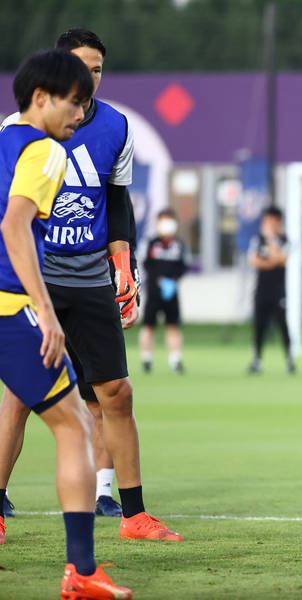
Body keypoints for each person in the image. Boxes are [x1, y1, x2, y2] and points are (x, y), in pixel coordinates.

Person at [0, 29, 183, 540]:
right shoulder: (21, 133)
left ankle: (133, 514)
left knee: (115, 393)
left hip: (88, 276)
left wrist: (124, 266)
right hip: (33, 277)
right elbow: (12, 219)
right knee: (24, 398)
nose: (90, 80)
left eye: (97, 70)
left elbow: (118, 202)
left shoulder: (117, 127)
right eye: (81, 69)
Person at [0, 48, 132, 598]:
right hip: (10, 307)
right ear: (41, 98)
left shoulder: (1, 139)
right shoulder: (46, 151)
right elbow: (14, 226)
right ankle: (81, 572)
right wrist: (45, 310)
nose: (80, 115)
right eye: (74, 104)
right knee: (74, 425)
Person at [139, 208, 188, 374]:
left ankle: (175, 361)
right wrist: (158, 279)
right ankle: (146, 359)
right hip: (153, 291)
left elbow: (182, 266)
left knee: (173, 326)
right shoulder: (151, 243)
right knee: (148, 326)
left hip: (171, 291)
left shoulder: (179, 245)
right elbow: (146, 264)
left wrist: (172, 280)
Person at [247, 205, 293, 374]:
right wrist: (271, 262)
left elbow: (282, 259)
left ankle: (289, 360)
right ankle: (256, 360)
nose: (268, 223)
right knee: (259, 326)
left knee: (283, 326)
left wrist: (271, 241)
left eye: (271, 220)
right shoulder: (257, 240)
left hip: (278, 291)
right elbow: (254, 261)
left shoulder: (284, 240)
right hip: (261, 290)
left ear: (278, 221)